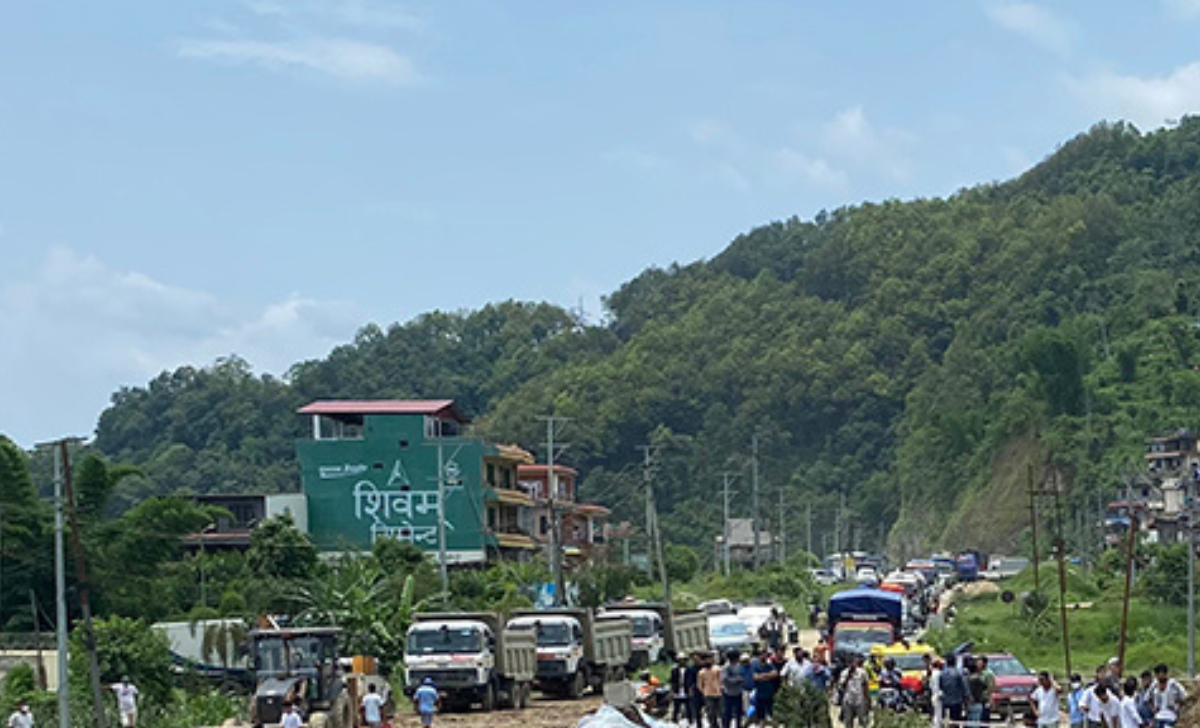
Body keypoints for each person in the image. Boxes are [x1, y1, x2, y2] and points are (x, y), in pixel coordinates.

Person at [837, 655, 871, 728]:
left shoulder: (862, 672)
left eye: (853, 662)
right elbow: (842, 686)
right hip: (848, 700)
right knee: (848, 722)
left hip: (860, 700)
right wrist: (848, 676)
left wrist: (868, 699)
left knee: (863, 721)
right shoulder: (844, 673)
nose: (852, 664)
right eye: (850, 663)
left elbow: (865, 686)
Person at [1148, 663, 1187, 728]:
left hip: (1170, 716)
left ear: (1165, 674)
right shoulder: (1154, 685)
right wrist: (1153, 708)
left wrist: (1177, 707)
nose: (1158, 677)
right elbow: (1147, 698)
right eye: (1157, 675)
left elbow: (1184, 696)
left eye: (1160, 674)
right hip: (1158, 716)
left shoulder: (1173, 684)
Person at [751, 649, 780, 724]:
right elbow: (755, 677)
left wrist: (762, 676)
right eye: (762, 655)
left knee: (772, 715)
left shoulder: (770, 665)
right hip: (760, 694)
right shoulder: (755, 666)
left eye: (765, 655)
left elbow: (775, 674)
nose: (764, 656)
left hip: (770, 693)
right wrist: (768, 675)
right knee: (761, 717)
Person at [939, 655, 971, 724]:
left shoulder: (942, 674)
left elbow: (940, 686)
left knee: (946, 720)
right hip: (957, 700)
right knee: (956, 720)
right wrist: (967, 696)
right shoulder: (958, 673)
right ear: (955, 662)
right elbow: (964, 686)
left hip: (945, 700)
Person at [720, 650, 747, 728]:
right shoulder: (726, 667)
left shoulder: (739, 666)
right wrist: (737, 680)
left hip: (738, 692)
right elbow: (725, 679)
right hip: (728, 693)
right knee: (728, 712)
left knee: (739, 712)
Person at [699, 653, 723, 728]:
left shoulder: (717, 669)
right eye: (706, 660)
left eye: (709, 659)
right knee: (711, 712)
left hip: (719, 693)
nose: (708, 661)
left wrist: (720, 688)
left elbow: (721, 680)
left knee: (721, 711)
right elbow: (700, 684)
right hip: (708, 694)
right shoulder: (701, 672)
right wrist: (704, 691)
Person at [967, 660, 987, 728]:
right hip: (977, 702)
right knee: (976, 721)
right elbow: (985, 686)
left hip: (969, 702)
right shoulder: (978, 678)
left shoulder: (966, 678)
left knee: (969, 721)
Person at [671, 655, 691, 725]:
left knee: (688, 708)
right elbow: (673, 681)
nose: (681, 662)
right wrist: (672, 691)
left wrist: (691, 690)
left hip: (686, 691)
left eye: (683, 660)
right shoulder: (674, 670)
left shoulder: (689, 670)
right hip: (677, 691)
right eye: (679, 660)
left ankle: (690, 722)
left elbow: (692, 681)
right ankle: (674, 722)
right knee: (676, 708)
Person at [979, 655, 997, 724]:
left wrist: (990, 700)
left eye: (980, 662)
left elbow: (991, 688)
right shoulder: (979, 672)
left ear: (984, 663)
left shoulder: (988, 673)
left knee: (985, 719)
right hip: (979, 699)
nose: (978, 664)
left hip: (985, 699)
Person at [930, 658, 945, 728]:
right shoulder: (938, 673)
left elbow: (931, 686)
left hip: (934, 695)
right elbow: (938, 686)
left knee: (936, 713)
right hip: (938, 695)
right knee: (938, 714)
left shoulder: (933, 673)